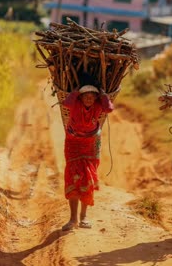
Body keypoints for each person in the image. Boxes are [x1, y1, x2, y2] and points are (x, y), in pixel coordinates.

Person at [61, 74, 114, 231]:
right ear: (81, 97)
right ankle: (72, 219)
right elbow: (66, 102)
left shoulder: (98, 106)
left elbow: (109, 108)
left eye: (92, 96)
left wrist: (103, 94)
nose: (89, 99)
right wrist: (77, 91)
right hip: (73, 143)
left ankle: (84, 217)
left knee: (87, 179)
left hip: (91, 144)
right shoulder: (75, 104)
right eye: (86, 96)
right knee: (73, 177)